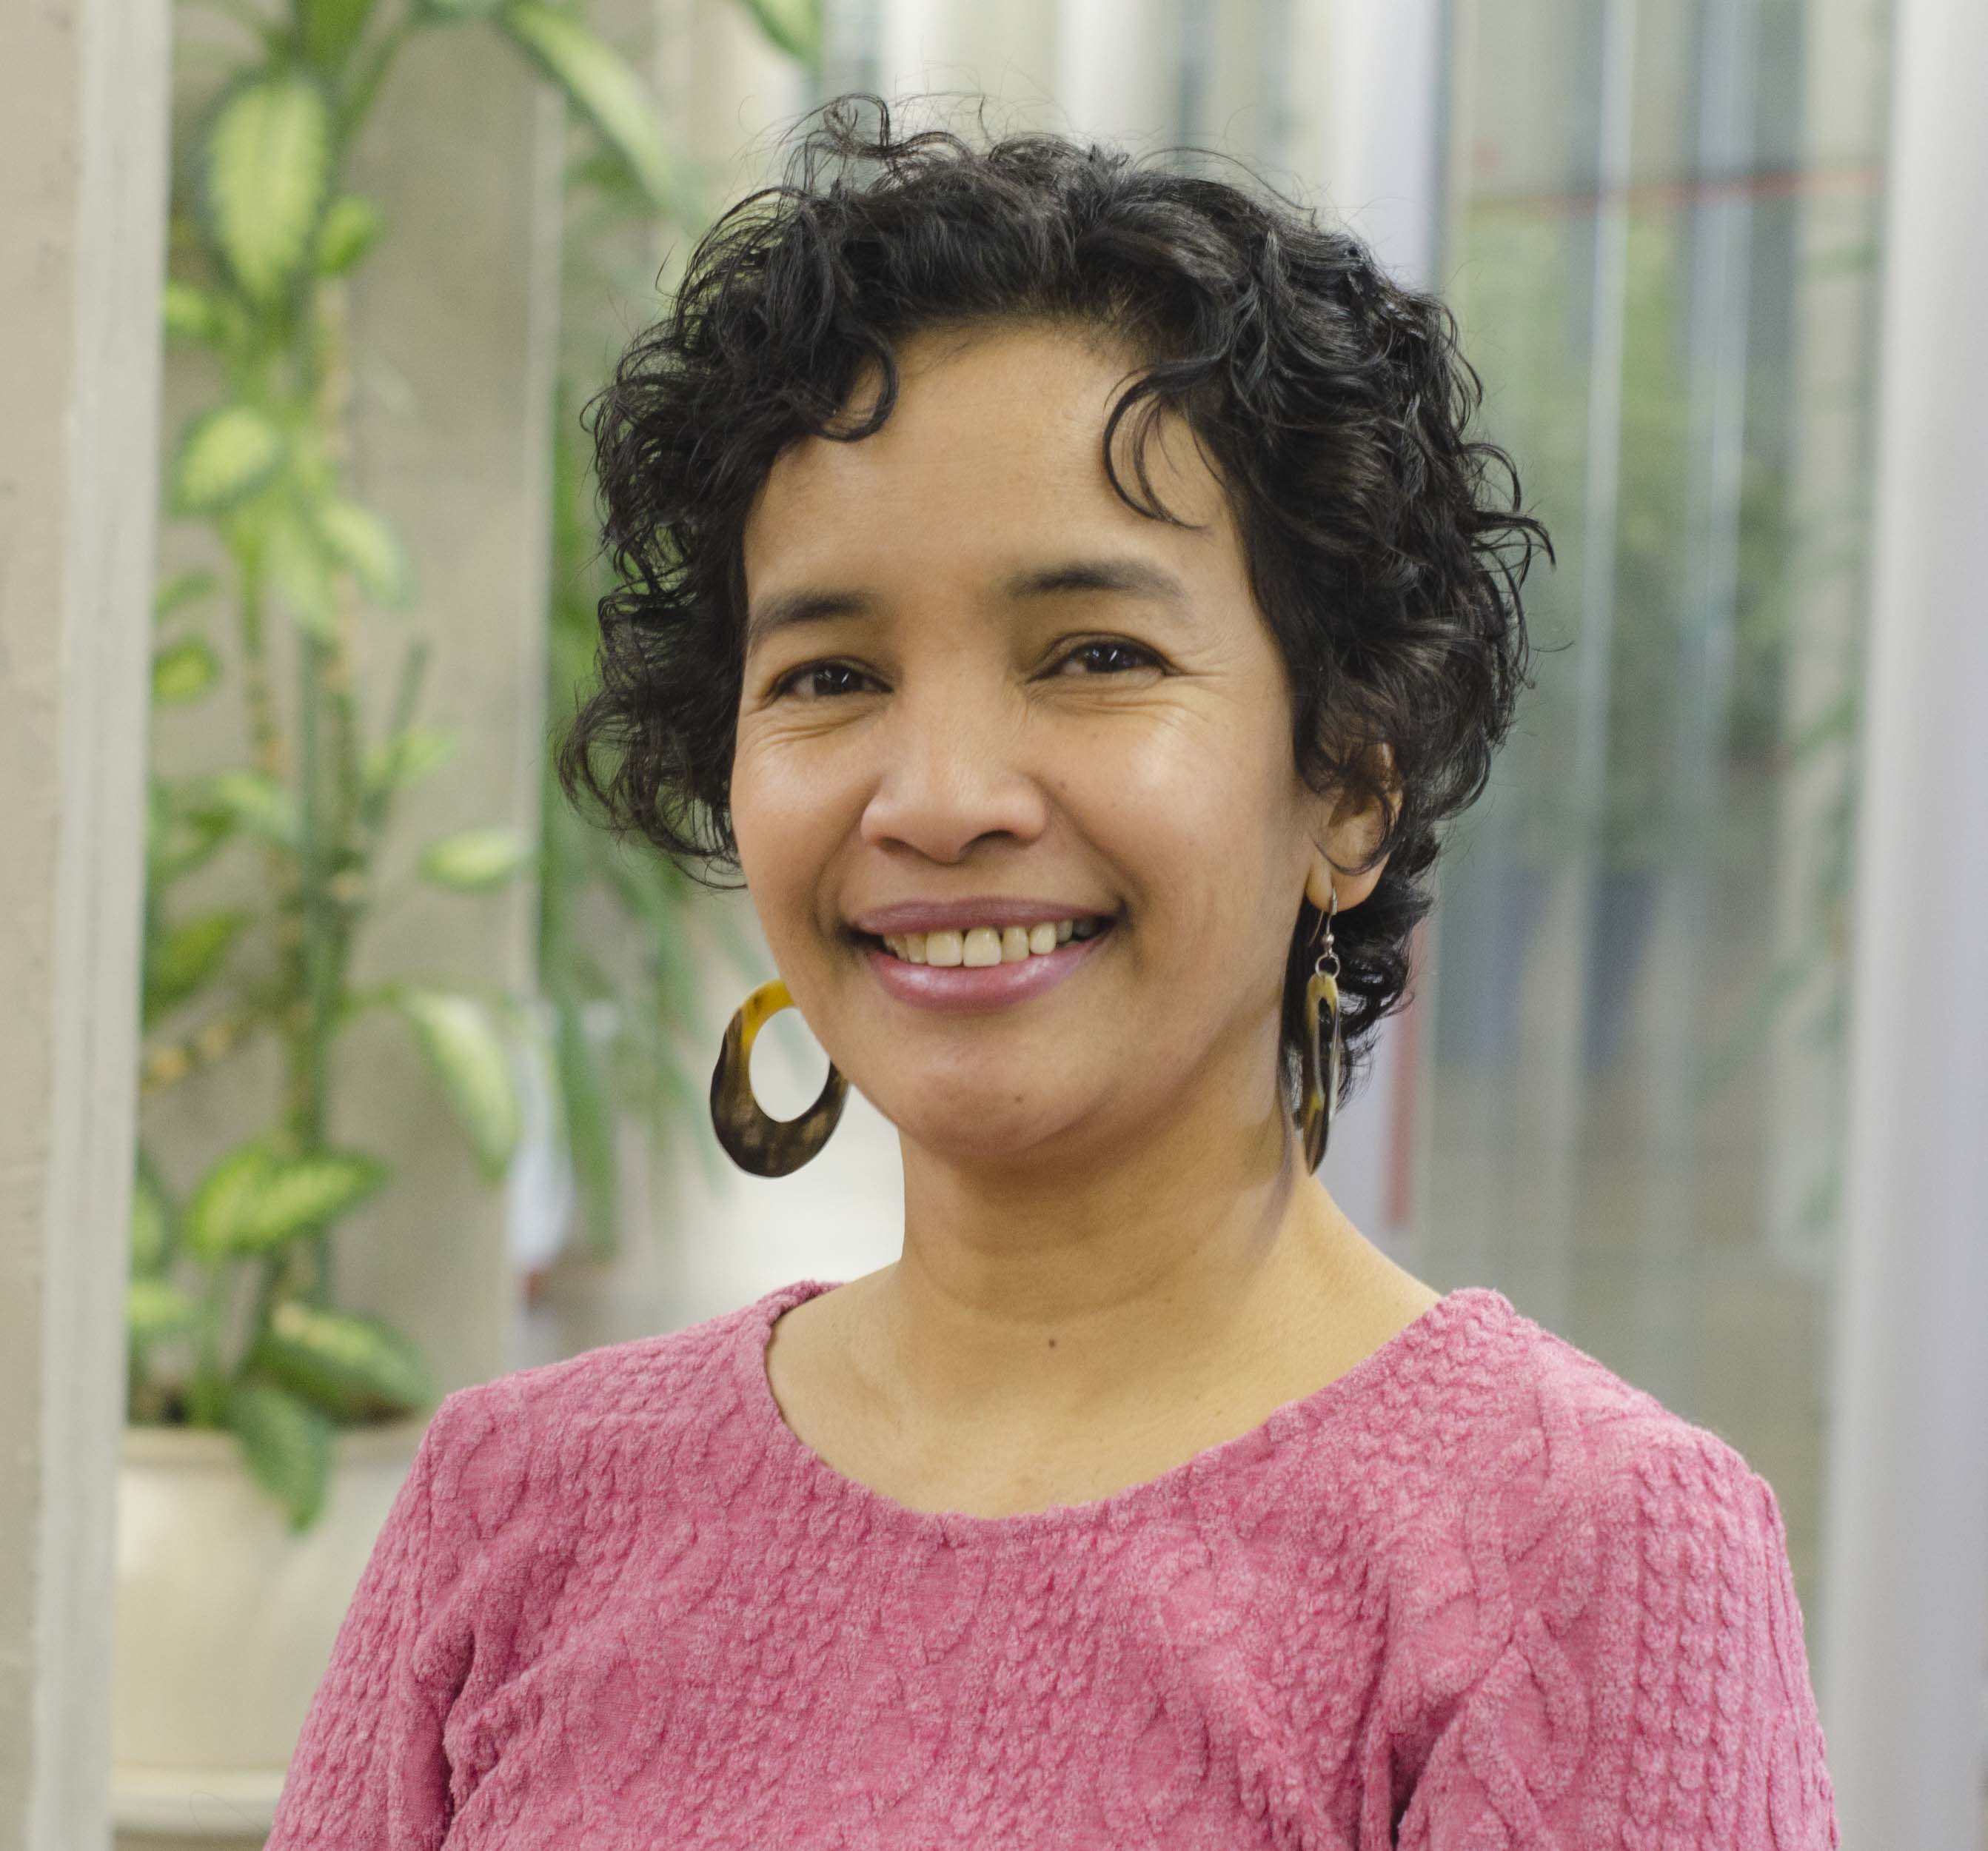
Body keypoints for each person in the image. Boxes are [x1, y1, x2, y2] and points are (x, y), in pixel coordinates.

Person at [264, 98, 1838, 1849]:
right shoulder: (514, 1505)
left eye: (1092, 653)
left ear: (1345, 787)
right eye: (829, 676)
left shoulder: (1575, 1556)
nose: (938, 799)